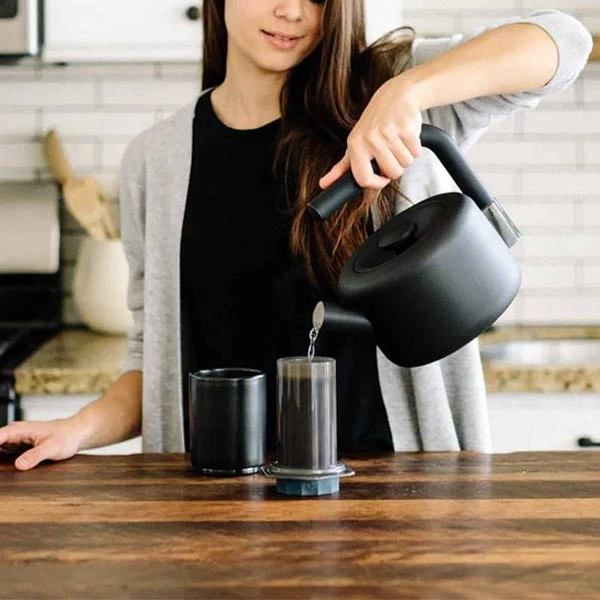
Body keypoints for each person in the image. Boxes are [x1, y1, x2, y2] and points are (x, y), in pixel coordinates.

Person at [0, 1, 592, 470]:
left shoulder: (383, 99)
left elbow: (565, 42)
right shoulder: (154, 162)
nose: (293, 11)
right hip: (222, 503)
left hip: (397, 489)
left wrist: (407, 92)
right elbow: (151, 360)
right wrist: (76, 429)